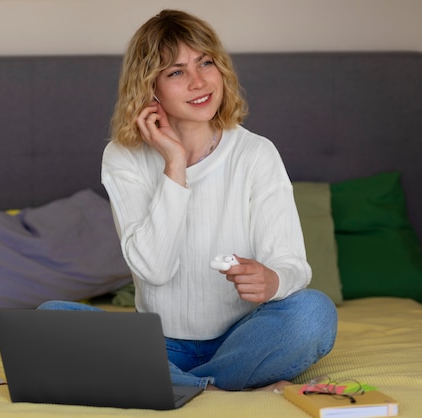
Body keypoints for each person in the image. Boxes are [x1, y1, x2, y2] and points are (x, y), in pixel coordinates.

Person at [39, 9, 337, 392]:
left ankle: (180, 385)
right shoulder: (123, 157)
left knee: (313, 313)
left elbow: (292, 264)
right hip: (156, 343)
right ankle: (216, 383)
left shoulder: (256, 153)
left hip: (243, 337)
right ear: (150, 87)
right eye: (176, 72)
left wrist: (273, 280)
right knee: (51, 318)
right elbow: (155, 269)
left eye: (205, 63)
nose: (198, 82)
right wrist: (175, 163)